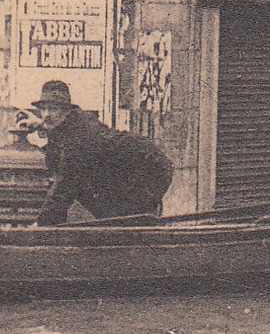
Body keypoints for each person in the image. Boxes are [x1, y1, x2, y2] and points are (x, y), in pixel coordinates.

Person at [32, 80, 175, 226]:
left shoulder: (79, 134)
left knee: (125, 223)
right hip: (128, 175)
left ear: (67, 111)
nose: (46, 115)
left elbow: (65, 185)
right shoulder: (68, 128)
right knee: (111, 216)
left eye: (53, 109)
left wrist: (42, 225)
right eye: (43, 109)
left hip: (151, 168)